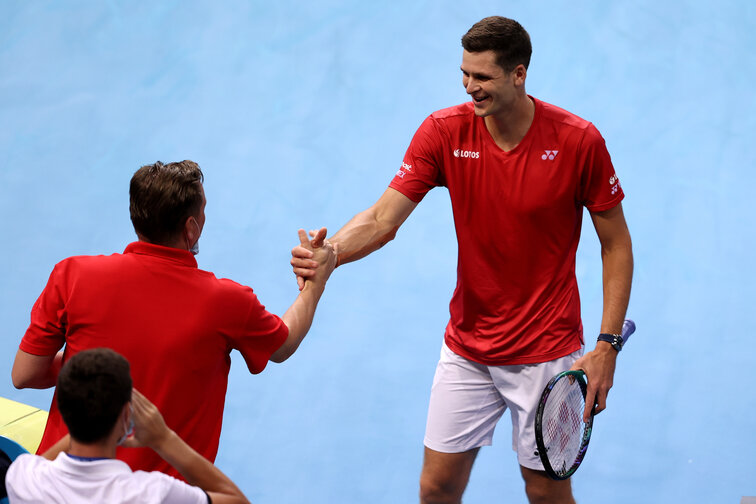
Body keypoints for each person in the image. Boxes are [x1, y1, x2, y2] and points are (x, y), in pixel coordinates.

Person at [291, 16, 633, 504]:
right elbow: (384, 217)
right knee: (436, 488)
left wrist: (607, 345)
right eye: (465, 75)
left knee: (545, 494)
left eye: (483, 77)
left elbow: (616, 243)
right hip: (468, 349)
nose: (470, 88)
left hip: (547, 354)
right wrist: (332, 255)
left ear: (519, 74)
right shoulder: (444, 131)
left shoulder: (579, 141)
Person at [12, 160, 337, 478]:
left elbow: (25, 373)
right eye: (203, 210)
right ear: (191, 227)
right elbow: (283, 343)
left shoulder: (72, 274)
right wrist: (315, 281)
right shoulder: (228, 301)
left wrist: (92, 367)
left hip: (58, 486)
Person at [6, 347, 249, 503]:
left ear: (65, 409)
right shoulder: (153, 494)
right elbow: (236, 500)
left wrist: (84, 412)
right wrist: (163, 438)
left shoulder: (22, 478)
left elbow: (38, 465)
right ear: (125, 417)